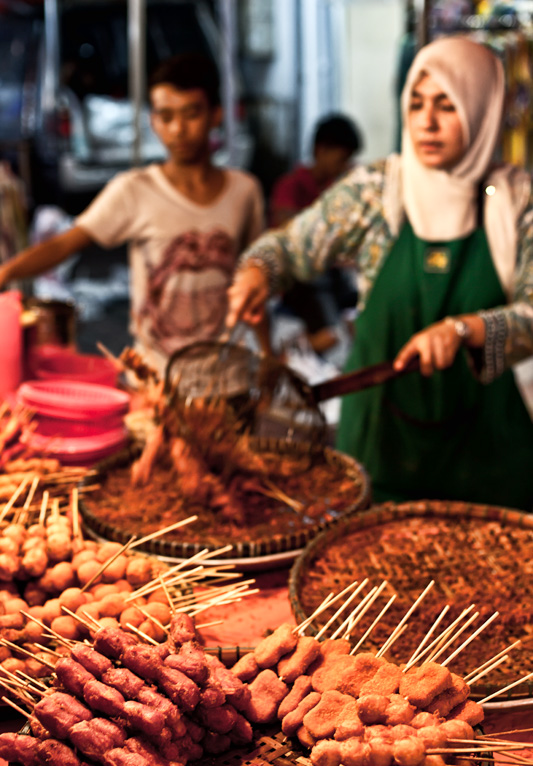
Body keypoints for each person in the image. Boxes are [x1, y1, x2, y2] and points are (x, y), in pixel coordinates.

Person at [226, 37, 533, 511]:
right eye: (416, 103)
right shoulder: (376, 193)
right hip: (381, 445)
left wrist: (464, 331)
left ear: (482, 108)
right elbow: (289, 246)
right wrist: (258, 271)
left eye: (447, 105)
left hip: (486, 461)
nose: (426, 122)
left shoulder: (516, 202)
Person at [0, 53, 265, 374]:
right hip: (156, 378)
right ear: (152, 121)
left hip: (228, 377)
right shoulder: (134, 190)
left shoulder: (244, 191)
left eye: (190, 114)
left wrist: (268, 354)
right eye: (165, 116)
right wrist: (6, 272)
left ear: (216, 115)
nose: (178, 129)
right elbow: (64, 244)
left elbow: (256, 281)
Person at [270, 114, 362, 354]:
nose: (343, 166)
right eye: (341, 159)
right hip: (299, 278)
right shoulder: (291, 186)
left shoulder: (334, 189)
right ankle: (306, 348)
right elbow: (290, 235)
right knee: (327, 313)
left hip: (328, 273)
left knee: (358, 297)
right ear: (321, 150)